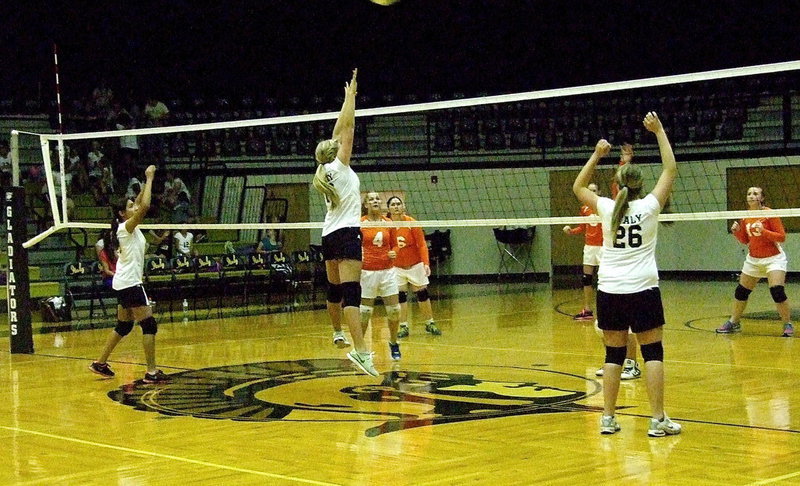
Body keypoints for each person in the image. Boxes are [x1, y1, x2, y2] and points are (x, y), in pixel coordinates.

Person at [572, 112, 680, 437]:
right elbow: (671, 169)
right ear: (640, 185)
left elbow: (577, 186)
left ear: (617, 186)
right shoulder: (649, 206)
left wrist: (596, 154)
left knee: (613, 354)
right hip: (644, 288)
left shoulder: (606, 207)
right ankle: (657, 419)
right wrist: (659, 130)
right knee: (652, 353)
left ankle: (607, 419)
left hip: (610, 290)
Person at [312, 69, 378, 376]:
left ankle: (337, 332)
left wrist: (345, 99)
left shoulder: (324, 170)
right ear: (336, 151)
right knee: (352, 292)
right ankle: (361, 351)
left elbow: (339, 129)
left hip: (328, 234)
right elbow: (348, 127)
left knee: (335, 288)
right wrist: (352, 99)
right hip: (348, 233)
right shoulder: (340, 165)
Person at [89, 165, 170, 383]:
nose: (134, 207)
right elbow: (144, 206)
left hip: (123, 282)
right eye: (129, 206)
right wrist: (151, 178)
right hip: (131, 283)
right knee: (149, 325)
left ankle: (100, 363)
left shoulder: (127, 227)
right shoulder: (127, 227)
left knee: (124, 326)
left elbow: (139, 202)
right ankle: (152, 372)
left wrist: (144, 180)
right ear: (122, 213)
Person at [716, 186, 793, 337]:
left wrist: (764, 231)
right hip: (753, 260)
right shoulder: (745, 216)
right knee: (741, 292)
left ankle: (787, 324)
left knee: (777, 291)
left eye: (755, 193)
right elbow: (745, 240)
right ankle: (734, 322)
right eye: (749, 193)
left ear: (762, 198)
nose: (751, 196)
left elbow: (781, 237)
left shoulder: (769, 214)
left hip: (773, 259)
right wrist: (736, 232)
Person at [386, 195, 441, 337]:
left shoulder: (412, 223)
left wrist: (426, 263)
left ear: (403, 206)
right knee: (401, 296)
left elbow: (422, 244)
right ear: (388, 208)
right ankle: (403, 326)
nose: (396, 206)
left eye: (399, 203)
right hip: (396, 266)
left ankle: (430, 323)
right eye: (393, 204)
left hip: (415, 264)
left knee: (422, 294)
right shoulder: (386, 224)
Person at [360, 192, 402, 360]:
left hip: (387, 271)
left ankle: (393, 342)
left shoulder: (388, 223)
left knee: (394, 311)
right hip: (367, 272)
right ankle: (360, 348)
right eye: (371, 199)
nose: (375, 201)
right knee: (364, 313)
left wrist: (394, 252)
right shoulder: (360, 223)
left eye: (378, 199)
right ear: (366, 204)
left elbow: (395, 245)